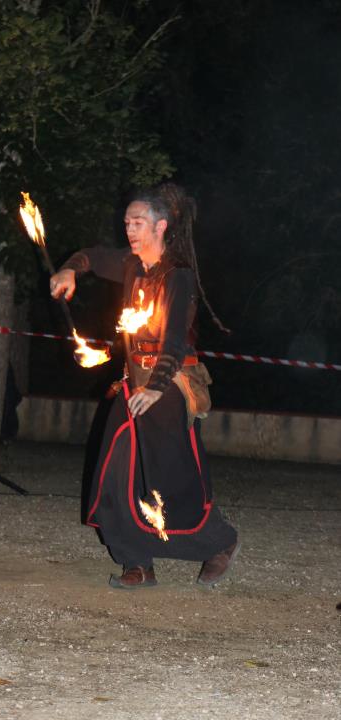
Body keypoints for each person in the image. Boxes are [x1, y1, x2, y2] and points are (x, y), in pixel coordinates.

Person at [50, 182, 239, 589]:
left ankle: (219, 543)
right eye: (127, 223)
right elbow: (93, 257)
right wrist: (69, 268)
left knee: (169, 478)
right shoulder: (131, 265)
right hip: (133, 386)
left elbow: (173, 339)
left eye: (138, 223)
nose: (130, 230)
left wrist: (156, 386)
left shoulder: (177, 276)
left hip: (169, 387)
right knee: (115, 475)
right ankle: (137, 562)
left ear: (161, 226)